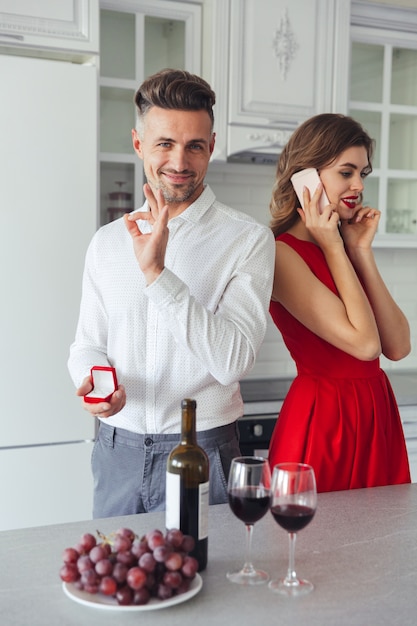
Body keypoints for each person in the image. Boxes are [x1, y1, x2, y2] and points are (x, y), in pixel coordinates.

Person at [68, 68, 275, 517]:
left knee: (208, 580)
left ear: (211, 147)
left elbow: (234, 360)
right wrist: (94, 384)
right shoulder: (106, 241)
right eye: (164, 143)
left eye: (194, 146)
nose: (179, 162)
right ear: (139, 143)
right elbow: (87, 342)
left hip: (202, 451)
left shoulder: (248, 240)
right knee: (119, 581)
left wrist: (159, 275)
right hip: (116, 450)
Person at [268, 113, 411, 492]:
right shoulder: (282, 254)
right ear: (307, 179)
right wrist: (334, 246)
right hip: (324, 419)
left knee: (376, 543)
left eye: (362, 173)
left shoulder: (344, 247)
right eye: (346, 172)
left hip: (375, 413)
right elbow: (365, 345)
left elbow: (397, 346)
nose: (359, 185)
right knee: (311, 547)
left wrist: (359, 250)